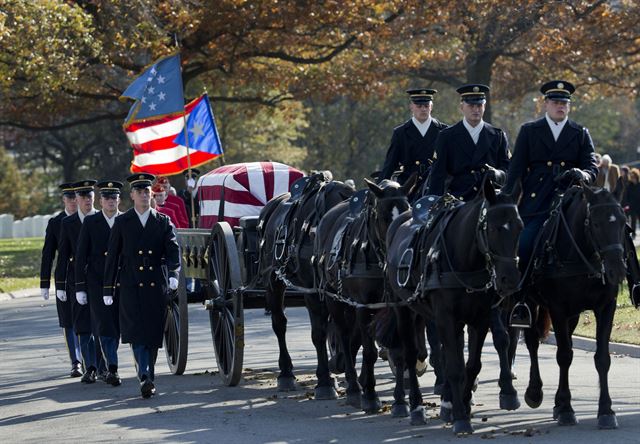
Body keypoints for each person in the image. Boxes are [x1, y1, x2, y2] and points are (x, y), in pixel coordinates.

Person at [503, 80, 599, 324]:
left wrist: (584, 174)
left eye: (564, 103)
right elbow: (515, 172)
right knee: (524, 246)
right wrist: (505, 201)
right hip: (537, 205)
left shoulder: (580, 132)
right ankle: (522, 301)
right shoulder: (529, 131)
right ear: (545, 104)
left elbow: (591, 165)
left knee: (603, 240)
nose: (560, 107)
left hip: (569, 203)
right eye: (556, 102)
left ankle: (607, 289)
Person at [103, 173, 181, 399]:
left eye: (147, 191)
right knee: (137, 332)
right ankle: (145, 375)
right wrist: (108, 288)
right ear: (132, 196)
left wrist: (174, 272)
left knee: (153, 333)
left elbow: (172, 249)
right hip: (130, 284)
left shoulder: (162, 220)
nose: (145, 195)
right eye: (140, 192)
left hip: (156, 283)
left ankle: (150, 374)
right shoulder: (122, 221)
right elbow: (112, 257)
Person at [75, 180, 124, 386]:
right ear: (101, 200)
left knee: (118, 327)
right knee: (104, 326)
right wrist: (79, 286)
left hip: (122, 281)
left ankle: (105, 364)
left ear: (119, 200)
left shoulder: (126, 220)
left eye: (114, 197)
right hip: (97, 281)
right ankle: (110, 368)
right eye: (107, 198)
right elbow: (80, 256)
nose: (111, 201)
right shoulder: (91, 222)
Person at [426, 84, 510, 200]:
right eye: (471, 106)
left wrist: (498, 174)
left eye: (479, 105)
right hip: (457, 198)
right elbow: (438, 174)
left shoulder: (497, 135)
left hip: (489, 198)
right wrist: (432, 202)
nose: (476, 110)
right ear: (462, 107)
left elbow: (508, 169)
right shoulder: (447, 136)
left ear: (484, 106)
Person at [56, 180, 102, 383]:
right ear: (77, 199)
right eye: (82, 197)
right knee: (83, 327)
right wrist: (60, 285)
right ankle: (89, 367)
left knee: (102, 327)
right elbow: (63, 255)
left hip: (101, 280)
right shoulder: (68, 223)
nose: (86, 200)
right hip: (77, 281)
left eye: (89, 196)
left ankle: (103, 366)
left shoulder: (103, 219)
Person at [40, 182, 83, 377]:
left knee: (89, 319)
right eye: (70, 198)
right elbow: (48, 254)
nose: (74, 201)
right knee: (68, 321)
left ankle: (92, 360)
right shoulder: (56, 223)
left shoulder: (89, 219)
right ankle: (76, 361)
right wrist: (44, 283)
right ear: (64, 200)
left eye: (76, 197)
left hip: (86, 275)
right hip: (65, 276)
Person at [379, 88, 447, 189]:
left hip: (436, 186)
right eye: (419, 106)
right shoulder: (400, 133)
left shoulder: (444, 131)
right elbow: (390, 164)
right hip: (408, 187)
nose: (423, 109)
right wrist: (379, 188)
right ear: (411, 107)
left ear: (431, 107)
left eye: (426, 106)